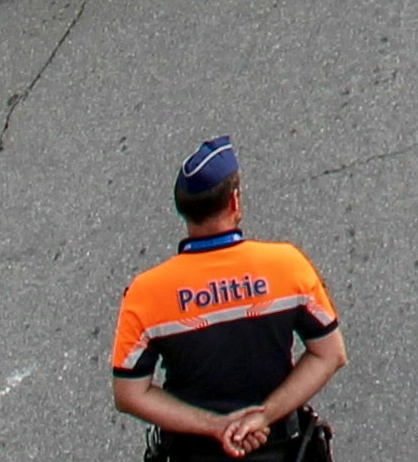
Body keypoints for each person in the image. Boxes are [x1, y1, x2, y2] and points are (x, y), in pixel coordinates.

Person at [110, 135, 343, 462]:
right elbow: (329, 354)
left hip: (193, 454)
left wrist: (216, 426)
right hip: (280, 449)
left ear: (183, 210)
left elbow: (130, 394)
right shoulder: (287, 266)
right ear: (234, 201)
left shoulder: (146, 293)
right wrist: (263, 415)